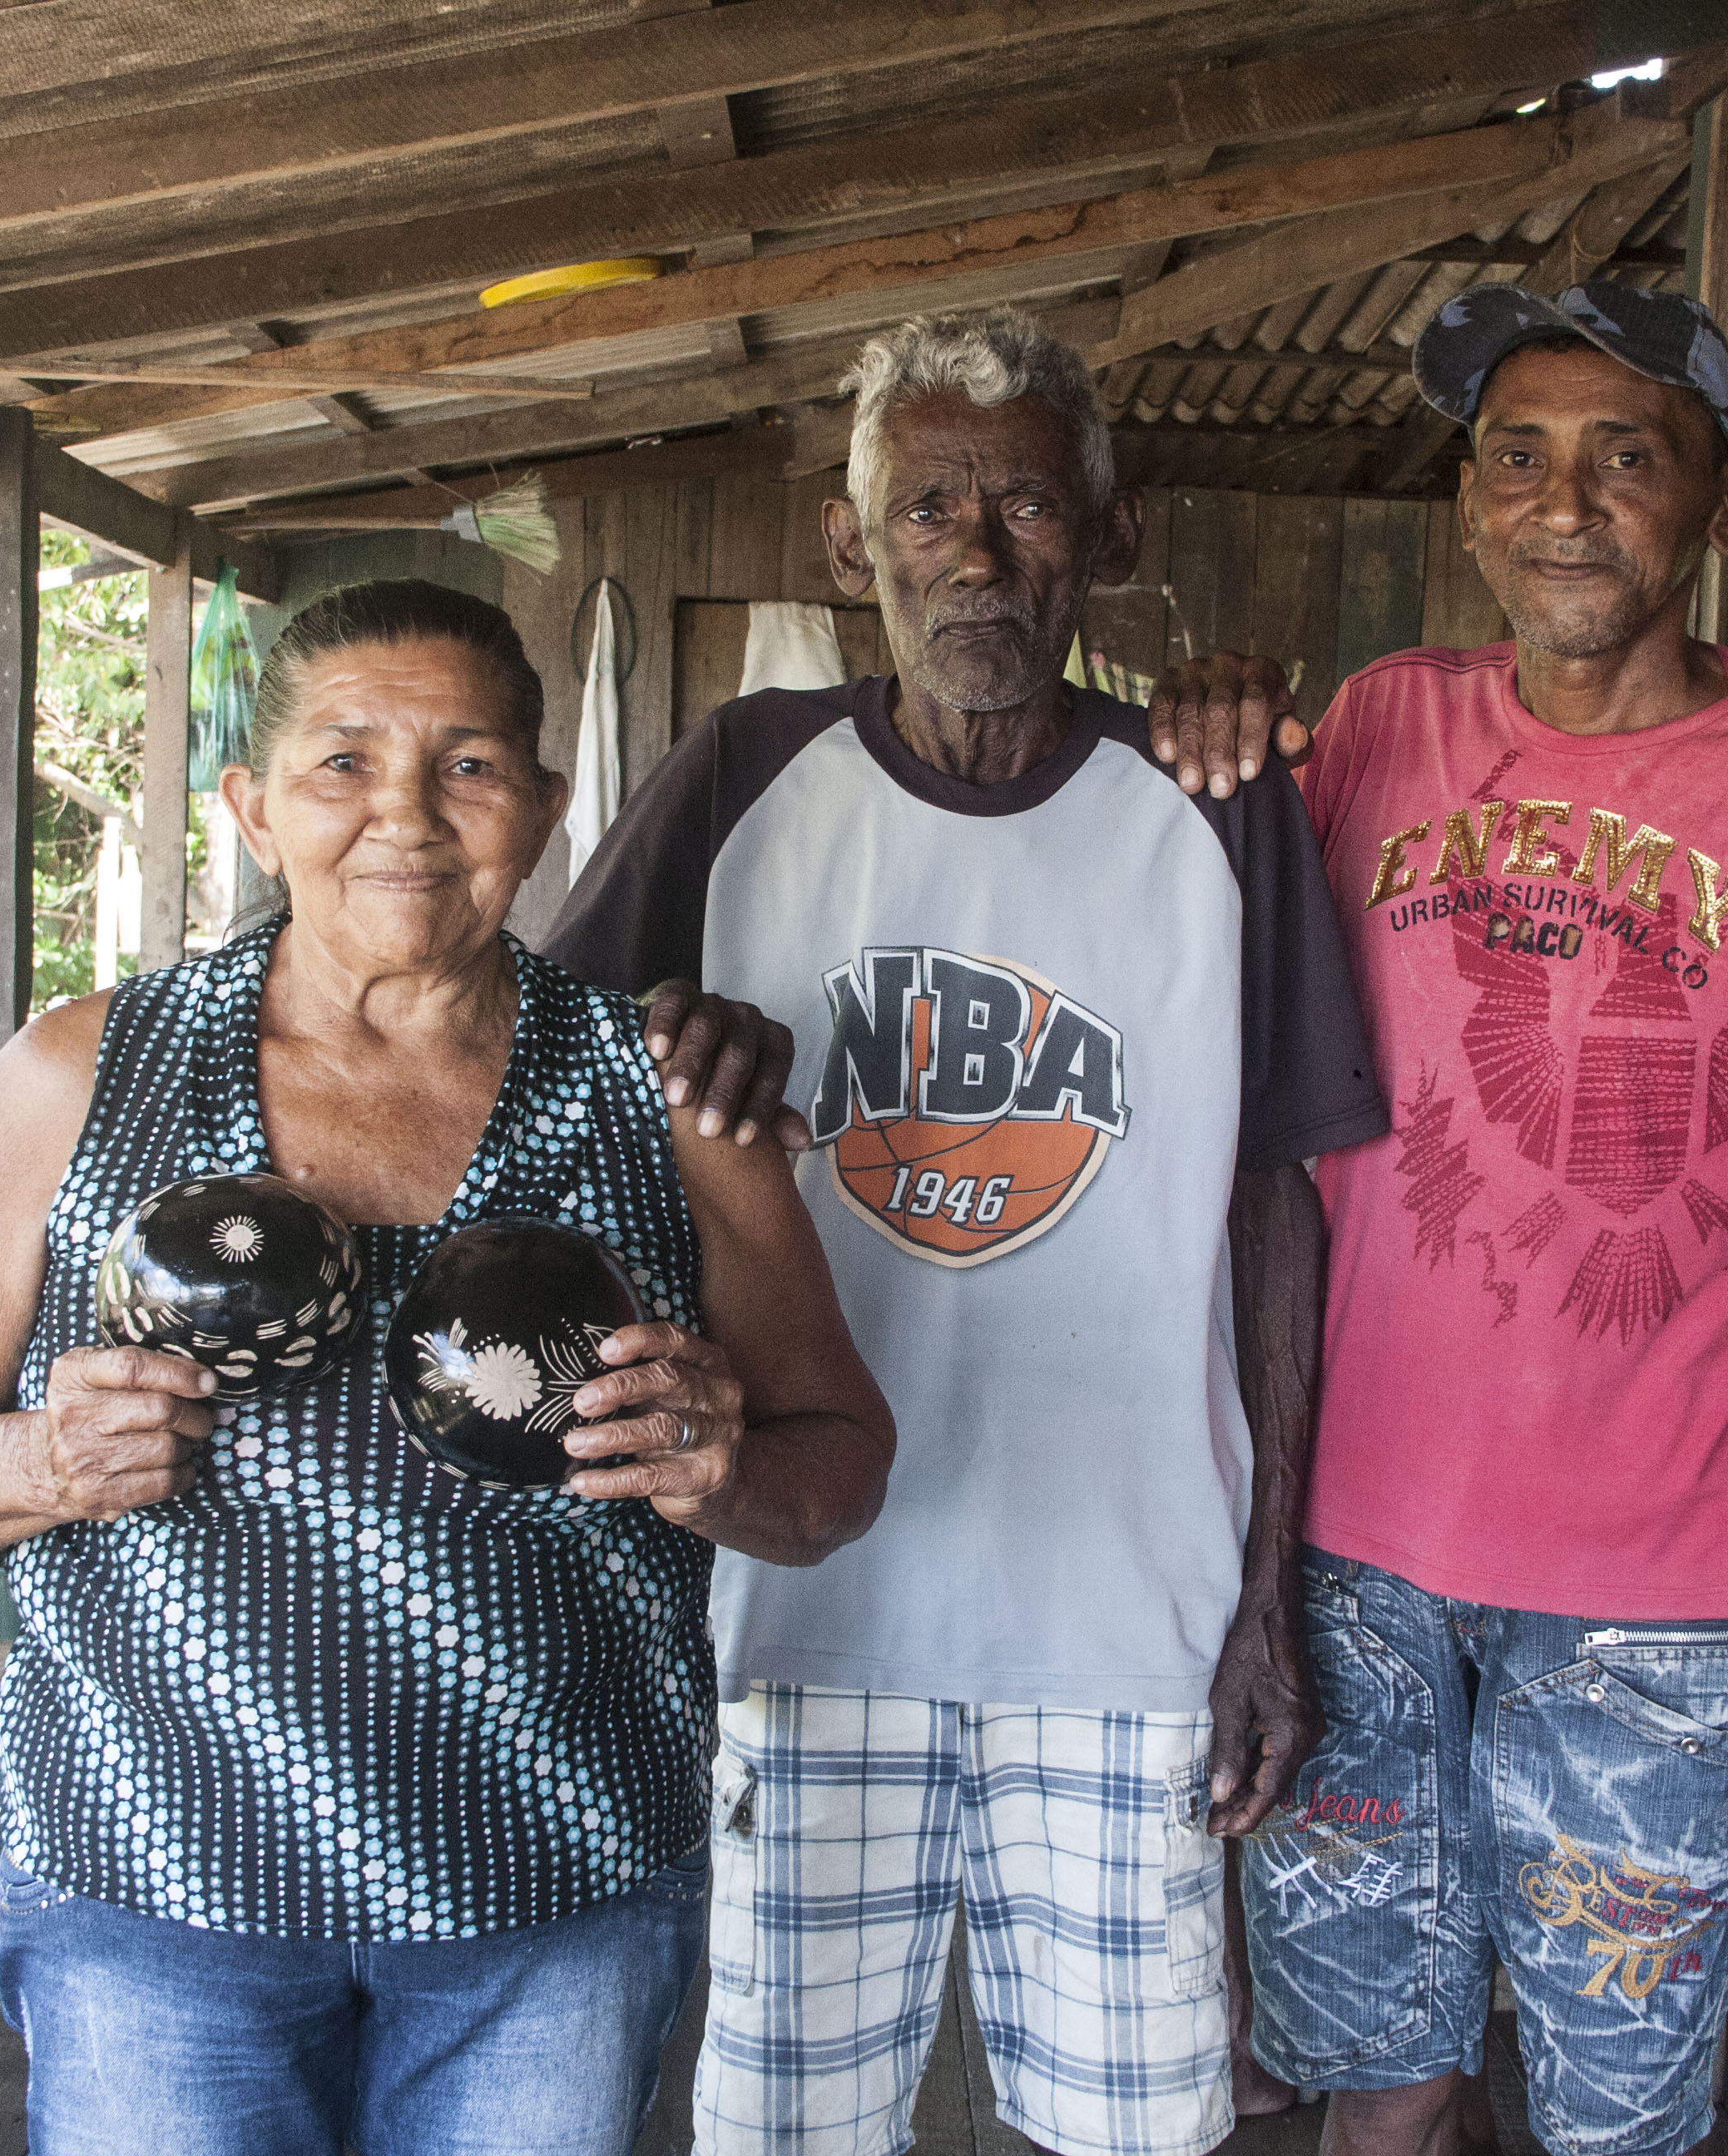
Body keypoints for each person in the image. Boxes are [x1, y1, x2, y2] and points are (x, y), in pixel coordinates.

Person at [0, 579, 896, 2156]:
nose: (407, 816)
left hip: (552, 1892)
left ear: (544, 806)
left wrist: (725, 1467)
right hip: (157, 1888)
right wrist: (40, 1458)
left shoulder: (660, 1098)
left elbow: (841, 1463)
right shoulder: (82, 1076)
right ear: (251, 808)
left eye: (467, 765)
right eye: (341, 763)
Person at [543, 307, 1389, 2156]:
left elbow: (1281, 1214)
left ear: (1111, 532)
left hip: (1129, 1622)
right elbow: (535, 1117)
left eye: (1025, 502)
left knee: (1137, 2131)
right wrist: (662, 1069)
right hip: (805, 1608)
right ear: (850, 549)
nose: (979, 552)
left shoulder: (1214, 804)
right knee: (788, 2129)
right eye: (927, 506)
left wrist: (1266, 1600)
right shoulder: (740, 778)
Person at [1205, 283, 1728, 2156]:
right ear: (1472, 506)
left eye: (1627, 457)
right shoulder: (1379, 729)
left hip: (1673, 1607)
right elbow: (1253, 1134)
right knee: (1381, 2102)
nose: (1565, 505)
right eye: (1520, 459)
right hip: (1358, 1572)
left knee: (1623, 2121)